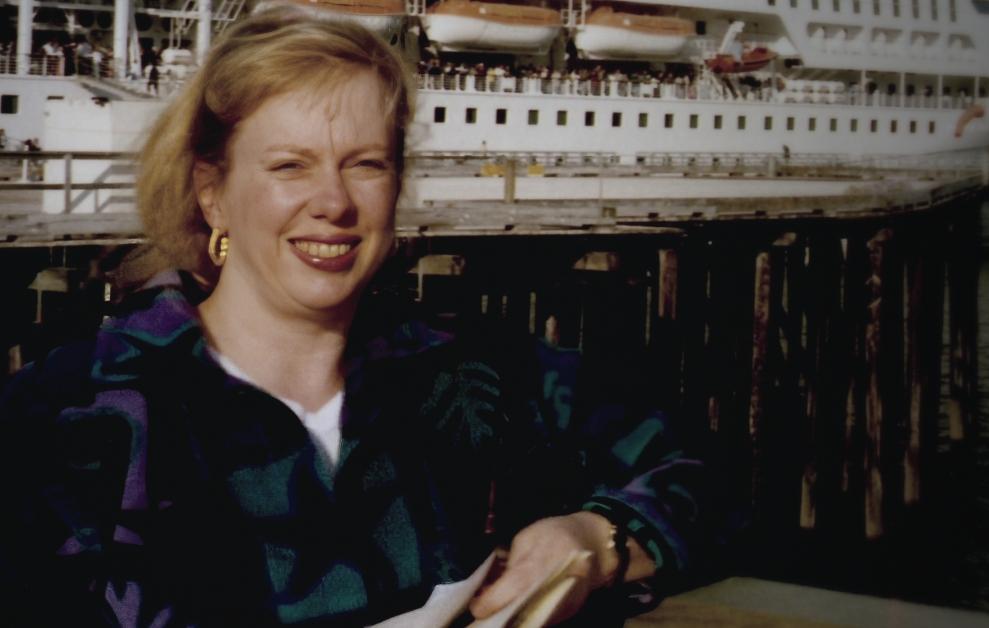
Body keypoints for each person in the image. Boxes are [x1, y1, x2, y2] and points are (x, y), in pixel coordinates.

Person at [0, 8, 725, 627]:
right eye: (290, 166)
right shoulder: (74, 413)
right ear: (213, 193)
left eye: (366, 165)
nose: (334, 202)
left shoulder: (468, 371)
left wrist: (594, 539)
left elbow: (703, 467)